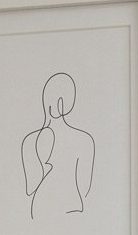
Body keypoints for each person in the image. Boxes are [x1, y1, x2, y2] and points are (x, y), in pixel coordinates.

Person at [21, 73, 95, 220]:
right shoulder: (84, 140)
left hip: (40, 208)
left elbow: (30, 189)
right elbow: (84, 188)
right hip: (72, 206)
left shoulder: (30, 140)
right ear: (68, 101)